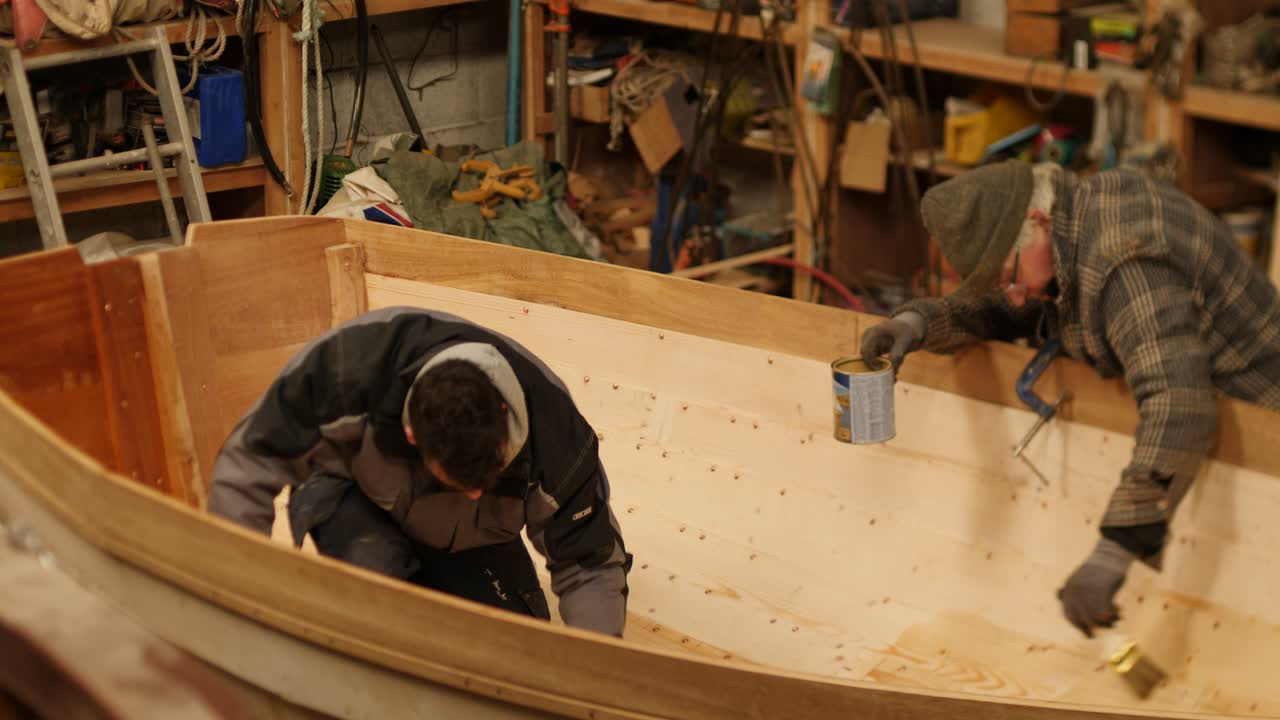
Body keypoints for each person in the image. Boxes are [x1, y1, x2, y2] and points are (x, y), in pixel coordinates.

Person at [860, 160, 1280, 638]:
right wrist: (916, 324)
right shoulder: (1068, 223)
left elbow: (1178, 403)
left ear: (1037, 222)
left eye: (1009, 275)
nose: (1015, 297)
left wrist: (1116, 549)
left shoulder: (1126, 264)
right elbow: (1005, 305)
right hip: (1216, 439)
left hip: (1265, 434)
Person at [206, 306, 631, 637]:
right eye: (459, 482)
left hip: (465, 538)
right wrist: (238, 601)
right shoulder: (344, 371)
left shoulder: (558, 437)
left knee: (520, 648)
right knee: (381, 616)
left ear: (505, 415)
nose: (474, 496)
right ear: (412, 435)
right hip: (349, 493)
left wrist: (594, 685)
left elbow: (589, 563)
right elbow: (247, 466)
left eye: (485, 480)